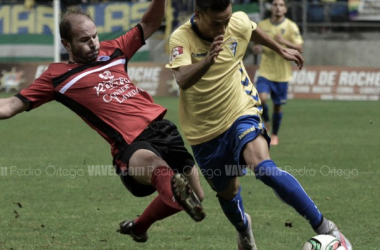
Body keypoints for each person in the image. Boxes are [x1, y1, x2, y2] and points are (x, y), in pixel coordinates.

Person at [0, 1, 206, 244]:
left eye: (95, 36)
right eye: (85, 40)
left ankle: (139, 227)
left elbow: (150, 23)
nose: (94, 43)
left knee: (196, 196)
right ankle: (169, 187)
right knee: (162, 172)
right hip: (131, 145)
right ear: (67, 44)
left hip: (164, 130)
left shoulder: (114, 49)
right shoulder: (57, 77)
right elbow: (10, 106)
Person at [166, 0, 352, 249]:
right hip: (203, 131)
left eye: (227, 20)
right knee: (228, 194)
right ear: (198, 14)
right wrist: (208, 60)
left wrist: (279, 49)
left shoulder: (237, 21)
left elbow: (250, 29)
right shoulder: (181, 38)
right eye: (217, 22)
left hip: (241, 111)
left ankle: (325, 226)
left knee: (263, 167)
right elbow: (182, 78)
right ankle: (244, 230)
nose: (224, 28)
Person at [251, 0, 304, 146]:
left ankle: (274, 134)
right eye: (275, 5)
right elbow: (255, 43)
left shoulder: (291, 26)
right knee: (260, 99)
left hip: (282, 74)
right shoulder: (262, 25)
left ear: (285, 9)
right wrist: (256, 49)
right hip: (265, 71)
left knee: (277, 106)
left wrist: (284, 41)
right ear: (271, 8)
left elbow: (300, 47)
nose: (278, 8)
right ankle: (266, 122)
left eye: (281, 5)